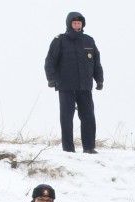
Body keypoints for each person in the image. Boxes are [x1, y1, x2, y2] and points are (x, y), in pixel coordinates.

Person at [44, 11, 103, 154]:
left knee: (88, 116)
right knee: (66, 118)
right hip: (66, 86)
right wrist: (51, 79)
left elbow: (96, 63)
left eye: (79, 23)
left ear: (83, 24)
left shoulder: (89, 41)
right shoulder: (59, 40)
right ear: (69, 24)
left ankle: (89, 147)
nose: (77, 25)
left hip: (85, 87)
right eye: (74, 23)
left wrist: (99, 79)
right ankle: (68, 149)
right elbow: (50, 62)